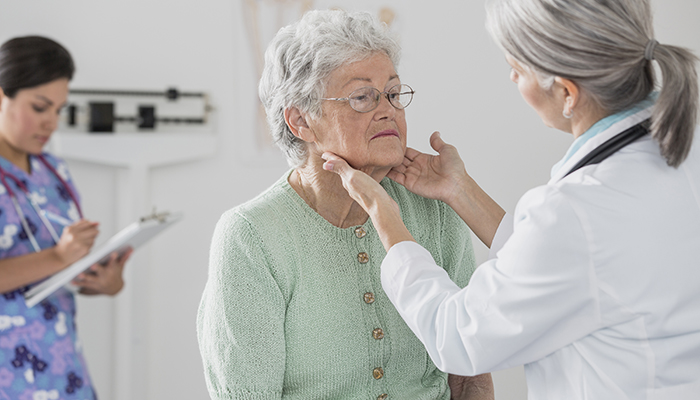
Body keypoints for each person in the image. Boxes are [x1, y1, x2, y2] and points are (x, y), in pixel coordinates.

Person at [322, 0, 700, 398]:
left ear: (568, 93)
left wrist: (388, 220)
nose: (512, 80)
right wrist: (460, 190)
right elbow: (571, 267)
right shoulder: (681, 155)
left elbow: (459, 338)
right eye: (363, 97)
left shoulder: (576, 212)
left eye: (517, 70)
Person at [196, 9, 493, 400]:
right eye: (362, 97)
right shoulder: (251, 236)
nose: (387, 109)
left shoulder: (434, 209)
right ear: (301, 121)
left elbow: (470, 375)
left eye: (392, 92)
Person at [0, 36, 132, 399]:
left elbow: (57, 272)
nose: (51, 123)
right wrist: (58, 257)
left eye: (58, 110)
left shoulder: (52, 169)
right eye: (40, 107)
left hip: (62, 369)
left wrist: (102, 281)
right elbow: (53, 258)